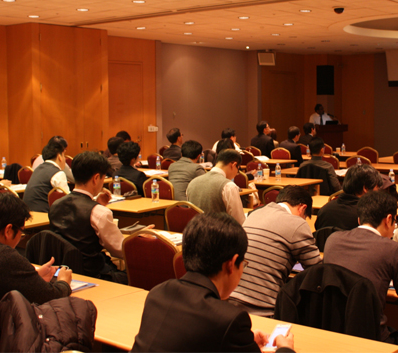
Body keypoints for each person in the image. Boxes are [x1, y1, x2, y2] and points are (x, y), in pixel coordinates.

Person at [131, 212, 295, 352]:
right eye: (243, 264)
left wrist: (245, 342)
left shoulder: (157, 293)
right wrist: (285, 349)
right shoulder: (230, 319)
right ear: (232, 264)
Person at [324, 191, 398, 352]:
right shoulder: (391, 249)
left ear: (359, 219)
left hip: (334, 334)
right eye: (395, 223)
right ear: (388, 220)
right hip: (372, 340)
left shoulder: (332, 240)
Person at [0, 193, 73, 328]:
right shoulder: (3, 255)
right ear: (8, 230)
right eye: (22, 233)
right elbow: (50, 296)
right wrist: (64, 282)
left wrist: (33, 277)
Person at [229, 186, 321, 316]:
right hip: (264, 309)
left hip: (230, 300)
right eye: (305, 217)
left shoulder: (254, 213)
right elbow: (317, 270)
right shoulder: (297, 223)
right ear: (302, 208)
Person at [50, 151, 132, 283]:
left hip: (64, 273)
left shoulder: (55, 205)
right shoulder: (99, 212)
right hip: (94, 276)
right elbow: (120, 250)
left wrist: (96, 204)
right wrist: (138, 238)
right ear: (96, 178)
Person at [315, 164, 383, 230]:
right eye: (377, 188)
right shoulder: (368, 216)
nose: (378, 192)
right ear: (366, 188)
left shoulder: (323, 210)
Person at [186, 149, 245, 224]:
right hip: (220, 230)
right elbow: (239, 222)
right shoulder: (229, 186)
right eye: (238, 169)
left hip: (195, 229)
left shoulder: (192, 183)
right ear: (233, 165)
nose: (236, 173)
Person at [23, 142, 70, 213]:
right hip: (43, 214)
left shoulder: (38, 169)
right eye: (64, 156)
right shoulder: (58, 173)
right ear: (59, 157)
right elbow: (68, 200)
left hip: (27, 212)